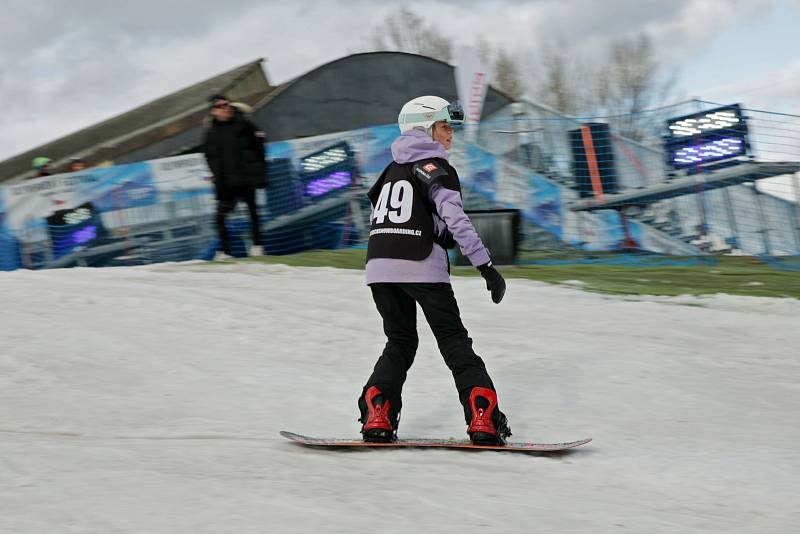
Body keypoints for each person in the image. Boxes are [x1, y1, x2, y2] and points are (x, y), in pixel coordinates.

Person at [358, 95, 511, 445]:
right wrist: (486, 267)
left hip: (379, 267)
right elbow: (457, 219)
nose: (450, 135)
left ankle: (377, 411)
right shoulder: (435, 168)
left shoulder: (388, 171)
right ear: (424, 130)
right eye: (444, 127)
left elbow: (383, 216)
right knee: (454, 341)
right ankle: (482, 416)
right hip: (421, 265)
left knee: (399, 341)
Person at [203, 94, 267, 257]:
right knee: (220, 218)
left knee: (253, 213)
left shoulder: (245, 124)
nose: (226, 108)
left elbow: (259, 145)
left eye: (227, 104)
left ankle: (257, 246)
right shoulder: (211, 133)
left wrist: (256, 169)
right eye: (221, 106)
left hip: (246, 179)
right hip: (227, 183)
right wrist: (218, 176)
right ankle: (224, 251)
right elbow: (210, 157)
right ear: (213, 111)